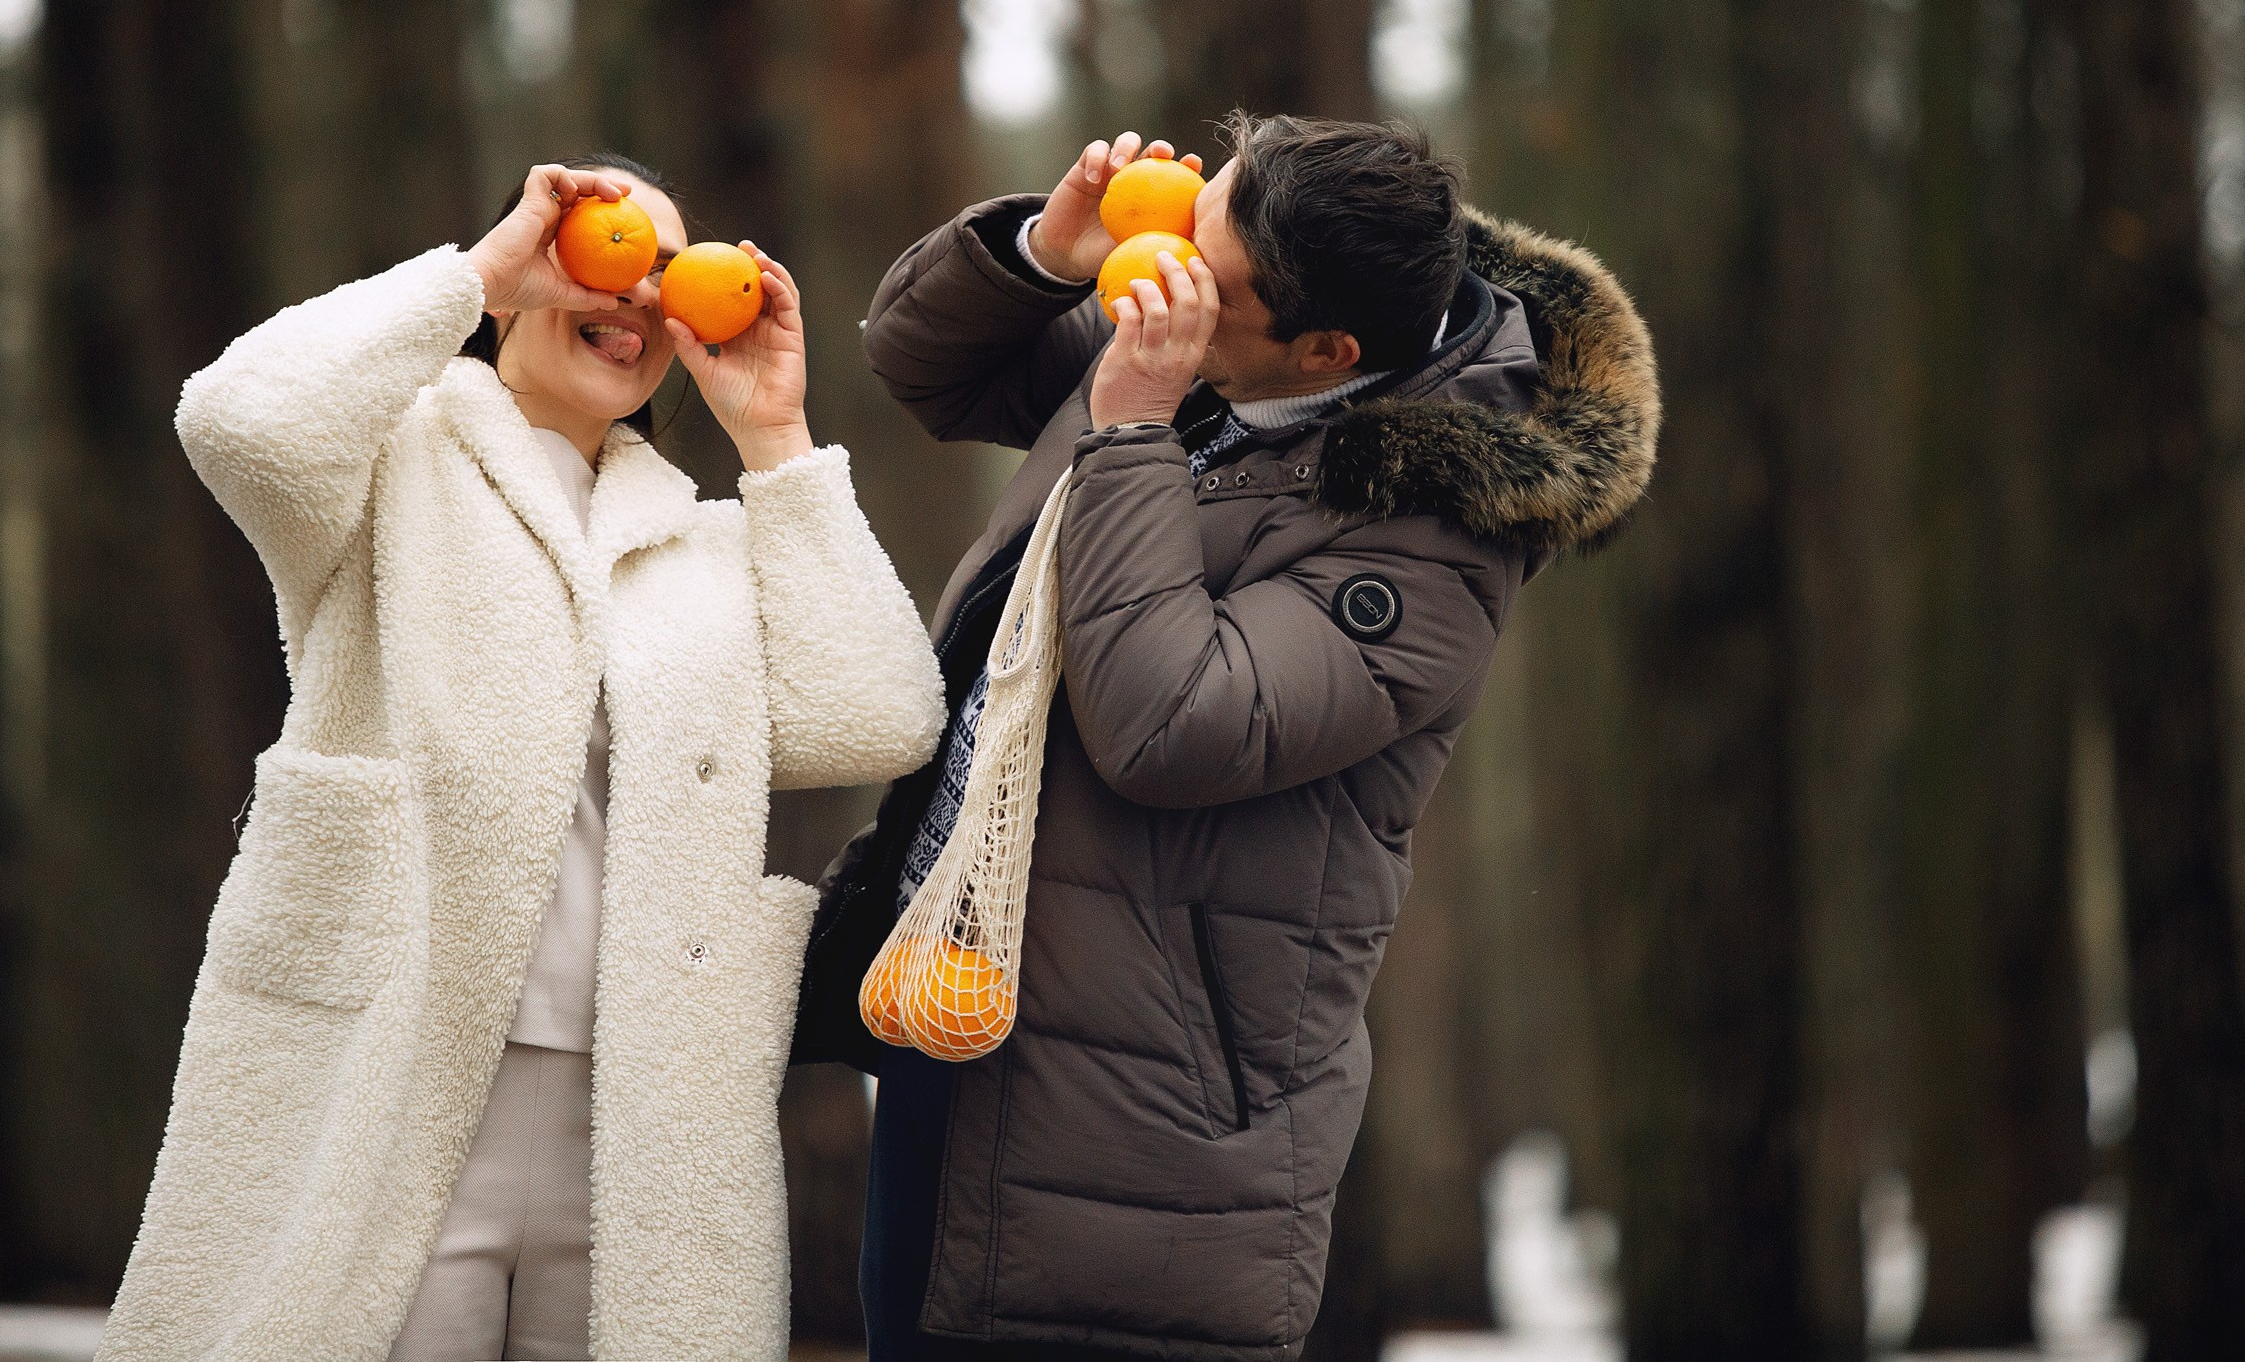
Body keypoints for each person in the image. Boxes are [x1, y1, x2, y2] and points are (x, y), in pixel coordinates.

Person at [793, 117, 1661, 1361]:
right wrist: (1047, 249)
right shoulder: (1213, 342)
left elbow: (1171, 721)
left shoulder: (1431, 536)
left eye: (1213, 274)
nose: (1166, 276)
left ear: (1329, 350)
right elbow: (928, 365)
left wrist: (1133, 422)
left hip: (1145, 1135)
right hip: (962, 1018)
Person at [98, 159, 946, 1362]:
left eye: (668, 273)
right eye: (605, 249)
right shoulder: (388, 460)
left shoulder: (702, 545)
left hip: (645, 1110)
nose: (638, 292)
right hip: (399, 1075)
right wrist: (486, 273)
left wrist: (774, 435)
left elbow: (877, 713)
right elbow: (238, 420)